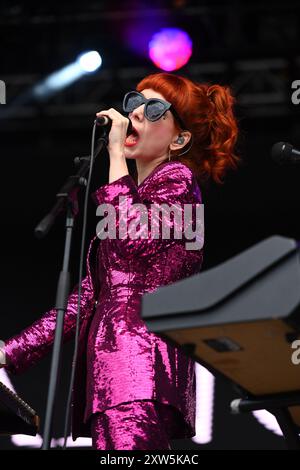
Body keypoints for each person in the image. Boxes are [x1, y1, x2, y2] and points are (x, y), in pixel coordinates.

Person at [0, 72, 239, 450]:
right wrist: (8, 352)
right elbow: (83, 301)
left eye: (156, 108)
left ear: (180, 139)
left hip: (140, 366)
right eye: (135, 102)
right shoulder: (134, 198)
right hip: (114, 373)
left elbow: (132, 238)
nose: (138, 114)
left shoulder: (177, 181)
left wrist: (114, 156)